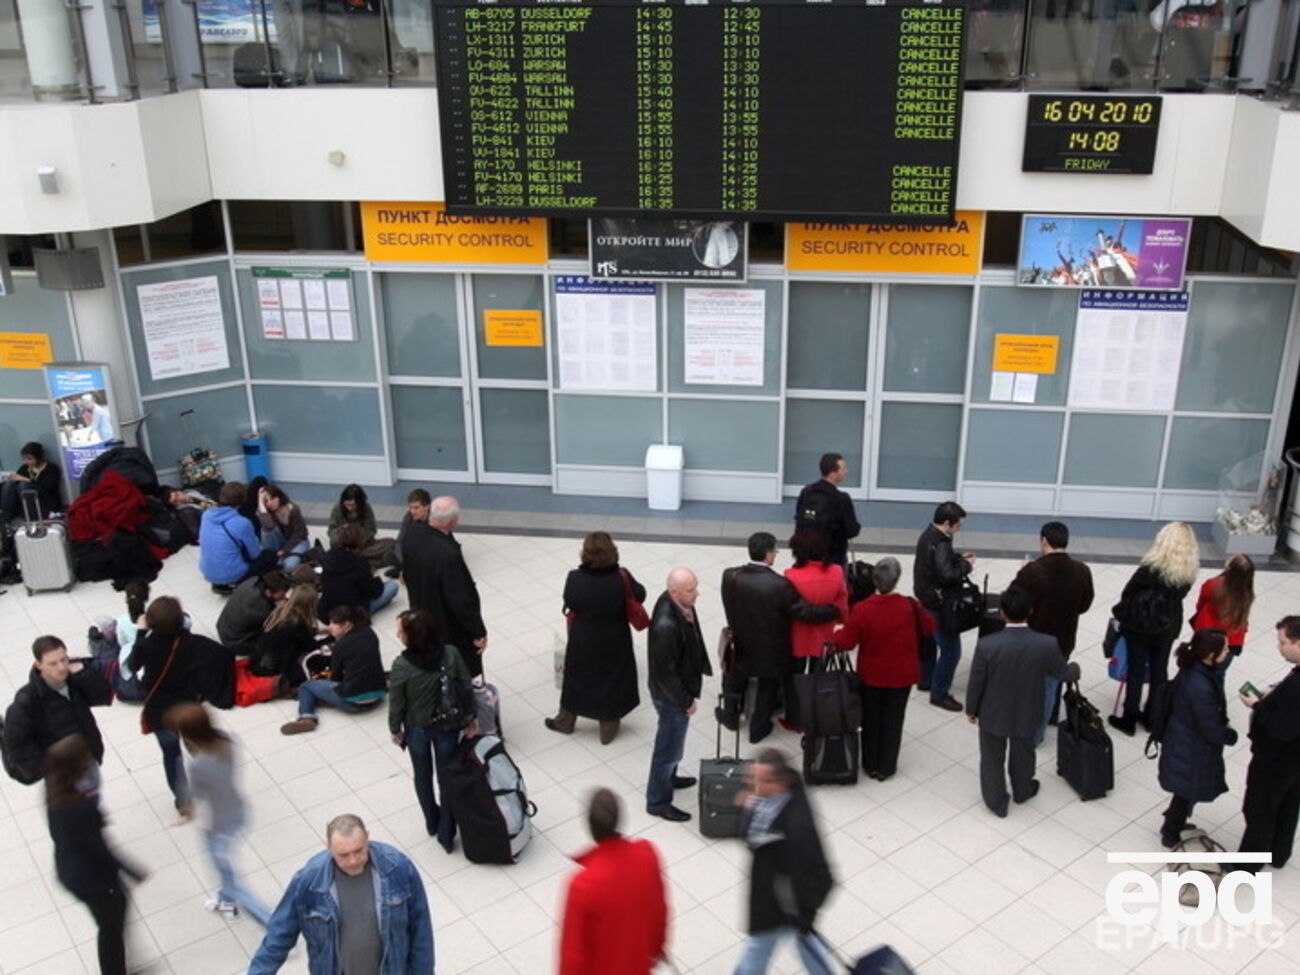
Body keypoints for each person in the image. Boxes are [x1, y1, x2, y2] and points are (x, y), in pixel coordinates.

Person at [248, 813, 434, 975]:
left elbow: (421, 930)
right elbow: (278, 937)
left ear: (367, 838)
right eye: (343, 855)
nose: (353, 861)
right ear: (328, 846)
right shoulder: (309, 882)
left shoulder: (398, 869)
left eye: (359, 850)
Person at [966, 586, 1080, 817]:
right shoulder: (1046, 644)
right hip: (1029, 709)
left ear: (1001, 613)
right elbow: (1063, 673)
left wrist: (972, 709)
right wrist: (1075, 669)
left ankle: (996, 802)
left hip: (993, 711)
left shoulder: (987, 645)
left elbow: (976, 682)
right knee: (1024, 753)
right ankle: (1023, 789)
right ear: (1030, 611)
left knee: (991, 758)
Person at [720, 533, 840, 742]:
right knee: (768, 686)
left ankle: (730, 716)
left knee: (734, 678)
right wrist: (832, 610)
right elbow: (805, 613)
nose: (775, 555)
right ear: (767, 555)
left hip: (738, 641)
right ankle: (758, 728)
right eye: (774, 551)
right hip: (769, 648)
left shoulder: (729, 575)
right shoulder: (779, 584)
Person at [45, 734, 146, 975]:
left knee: (109, 925)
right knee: (110, 929)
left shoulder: (54, 790)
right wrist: (131, 870)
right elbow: (98, 850)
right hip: (92, 880)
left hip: (70, 870)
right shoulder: (81, 807)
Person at [732, 749, 835, 975]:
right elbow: (751, 837)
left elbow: (821, 874)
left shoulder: (796, 828)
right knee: (806, 947)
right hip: (782, 903)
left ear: (779, 784)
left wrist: (805, 917)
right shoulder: (770, 799)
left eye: (759, 780)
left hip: (780, 906)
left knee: (758, 950)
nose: (751, 784)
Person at [169, 702, 272, 925]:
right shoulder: (227, 742)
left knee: (232, 879)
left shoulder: (199, 765)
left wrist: (187, 811)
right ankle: (226, 902)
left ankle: (274, 928)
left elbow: (197, 796)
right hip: (238, 811)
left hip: (218, 827)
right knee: (224, 872)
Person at [833, 558, 931, 781]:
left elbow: (846, 642)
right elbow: (929, 627)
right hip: (902, 674)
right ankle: (887, 766)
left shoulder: (863, 609)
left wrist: (836, 631)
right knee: (894, 719)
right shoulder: (909, 605)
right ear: (896, 579)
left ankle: (870, 764)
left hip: (872, 675)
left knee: (870, 718)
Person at [546, 531, 647, 745]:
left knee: (577, 679)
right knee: (612, 680)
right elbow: (640, 595)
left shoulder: (575, 578)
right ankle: (607, 729)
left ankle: (565, 721)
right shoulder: (622, 577)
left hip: (583, 637)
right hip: (615, 638)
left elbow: (570, 601)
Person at [388, 608, 472, 854]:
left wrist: (395, 728)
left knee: (422, 776)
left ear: (412, 636)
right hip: (447, 727)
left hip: (417, 730)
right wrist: (471, 717)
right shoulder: (451, 654)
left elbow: (397, 702)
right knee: (447, 777)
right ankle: (448, 832)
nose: (397, 635)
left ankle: (432, 822)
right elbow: (465, 685)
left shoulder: (402, 665)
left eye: (400, 631)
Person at [559, 787, 668, 975]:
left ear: (591, 828)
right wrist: (656, 949)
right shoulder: (647, 854)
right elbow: (659, 910)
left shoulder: (582, 885)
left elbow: (573, 954)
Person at [1109, 521, 1200, 736]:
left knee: (1136, 670)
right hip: (1168, 626)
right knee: (1160, 670)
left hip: (1140, 626)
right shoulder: (1187, 572)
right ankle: (1153, 717)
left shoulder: (1150, 569)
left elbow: (1128, 593)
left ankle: (1129, 717)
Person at [1011, 520, 1094, 739]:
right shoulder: (1082, 570)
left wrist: (1022, 572)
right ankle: (1047, 721)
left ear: (1044, 541)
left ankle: (1033, 733)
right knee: (1051, 683)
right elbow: (1085, 605)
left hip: (1035, 640)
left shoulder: (1032, 571)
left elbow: (1014, 603)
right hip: (1064, 639)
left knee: (1038, 688)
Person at [1157, 628, 1237, 848]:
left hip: (1183, 739)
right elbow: (1209, 725)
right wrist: (1229, 735)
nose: (1228, 652)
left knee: (1184, 790)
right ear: (1211, 654)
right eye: (1225, 649)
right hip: (1192, 746)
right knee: (1186, 789)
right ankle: (1171, 832)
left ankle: (1172, 824)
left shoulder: (1194, 669)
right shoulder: (1200, 685)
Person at [128, 596, 207, 817]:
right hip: (189, 704)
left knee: (172, 755)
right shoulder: (189, 642)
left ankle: (183, 802)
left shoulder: (146, 645)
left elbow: (132, 665)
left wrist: (141, 632)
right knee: (199, 744)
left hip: (160, 711)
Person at [646, 568, 711, 822]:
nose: (697, 593)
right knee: (668, 750)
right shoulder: (666, 624)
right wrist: (686, 701)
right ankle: (658, 801)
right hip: (671, 697)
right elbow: (666, 674)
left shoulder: (678, 602)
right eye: (690, 589)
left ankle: (670, 777)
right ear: (673, 591)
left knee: (673, 745)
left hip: (675, 690)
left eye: (695, 587)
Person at [1236, 616, 1300, 872]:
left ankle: (1246, 865)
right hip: (1296, 761)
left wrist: (1258, 706)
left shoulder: (1297, 685)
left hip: (1276, 760)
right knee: (1288, 804)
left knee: (1259, 809)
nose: (1279, 647)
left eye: (1283, 642)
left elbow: (1280, 729)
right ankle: (1278, 852)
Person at [3, 635, 112, 786]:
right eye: (53, 663)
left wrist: (84, 674)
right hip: (61, 775)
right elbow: (17, 745)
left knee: (92, 798)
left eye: (63, 659)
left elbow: (104, 696)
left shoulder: (75, 679)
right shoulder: (27, 700)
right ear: (39, 665)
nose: (61, 667)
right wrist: (47, 770)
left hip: (89, 758)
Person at [401, 495, 489, 678]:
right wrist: (477, 630)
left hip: (420, 612)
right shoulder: (447, 554)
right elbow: (460, 599)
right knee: (456, 666)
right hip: (447, 624)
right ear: (453, 521)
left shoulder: (411, 534)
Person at [281, 605, 386, 735]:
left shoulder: (341, 646)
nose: (330, 626)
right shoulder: (370, 633)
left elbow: (335, 677)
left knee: (306, 686)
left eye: (333, 623)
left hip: (354, 703)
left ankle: (306, 717)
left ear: (347, 625)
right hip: (379, 694)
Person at [913, 501, 976, 712]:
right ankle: (939, 693)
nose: (959, 529)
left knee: (929, 643)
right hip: (939, 604)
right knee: (951, 651)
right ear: (948, 524)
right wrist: (966, 565)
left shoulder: (927, 535)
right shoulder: (941, 543)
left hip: (925, 598)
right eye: (958, 526)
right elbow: (947, 575)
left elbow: (936, 564)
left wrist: (956, 558)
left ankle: (925, 680)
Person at [783, 529, 849, 700]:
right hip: (824, 636)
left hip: (798, 636)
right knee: (819, 677)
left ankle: (794, 715)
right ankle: (815, 712)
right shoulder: (836, 571)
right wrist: (842, 619)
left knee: (795, 678)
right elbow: (842, 599)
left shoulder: (791, 576)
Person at [199, 482, 279, 591]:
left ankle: (219, 582)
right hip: (233, 574)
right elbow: (255, 554)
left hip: (208, 573)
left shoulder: (206, 515)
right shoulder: (242, 523)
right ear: (242, 501)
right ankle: (240, 582)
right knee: (270, 556)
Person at [792, 452, 860, 567]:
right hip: (833, 557)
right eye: (843, 469)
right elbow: (852, 530)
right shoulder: (841, 498)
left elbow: (799, 517)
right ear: (833, 474)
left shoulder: (806, 492)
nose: (846, 472)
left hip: (807, 555)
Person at [319, 523, 399, 620]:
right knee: (392, 586)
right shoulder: (360, 563)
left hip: (327, 611)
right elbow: (374, 592)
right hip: (352, 613)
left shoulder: (328, 556)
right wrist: (376, 578)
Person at [253, 584, 324, 682]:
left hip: (260, 662)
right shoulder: (297, 623)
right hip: (275, 670)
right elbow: (310, 645)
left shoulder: (280, 612)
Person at [1191, 553, 1255, 662]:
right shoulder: (1247, 593)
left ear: (1229, 568)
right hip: (1232, 640)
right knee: (1220, 671)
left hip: (1207, 635)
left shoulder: (1212, 585)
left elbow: (1200, 605)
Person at [216, 570, 291, 656]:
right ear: (269, 592)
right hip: (236, 643)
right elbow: (277, 622)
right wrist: (281, 609)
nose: (284, 596)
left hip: (224, 628)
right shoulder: (261, 608)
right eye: (282, 594)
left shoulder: (253, 581)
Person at [328, 483, 395, 568]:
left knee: (391, 543)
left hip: (363, 545)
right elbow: (331, 531)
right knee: (334, 542)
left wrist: (359, 536)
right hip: (343, 545)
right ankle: (359, 559)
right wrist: (344, 532)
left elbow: (371, 530)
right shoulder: (337, 508)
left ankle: (353, 558)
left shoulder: (366, 508)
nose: (350, 508)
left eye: (353, 505)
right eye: (347, 505)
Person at [2, 440, 62, 521]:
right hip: (25, 502)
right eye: (25, 459)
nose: (26, 462)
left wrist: (25, 479)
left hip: (46, 500)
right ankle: (5, 519)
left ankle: (34, 518)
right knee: (9, 484)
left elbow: (47, 487)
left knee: (24, 485)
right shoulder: (25, 468)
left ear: (38, 458)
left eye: (30, 459)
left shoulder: (51, 468)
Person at [257, 484, 311, 570]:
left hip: (297, 542)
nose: (269, 503)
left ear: (278, 497)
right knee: (265, 531)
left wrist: (284, 551)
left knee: (288, 565)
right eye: (266, 501)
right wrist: (260, 501)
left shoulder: (293, 509)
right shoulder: (264, 512)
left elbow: (298, 534)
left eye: (272, 499)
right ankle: (269, 559)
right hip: (279, 542)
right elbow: (269, 527)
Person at [388, 488, 431, 578]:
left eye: (416, 507)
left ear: (427, 506)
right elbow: (399, 542)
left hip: (429, 553)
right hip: (413, 552)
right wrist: (405, 562)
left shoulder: (437, 519)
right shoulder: (409, 517)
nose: (412, 511)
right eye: (410, 507)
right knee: (389, 554)